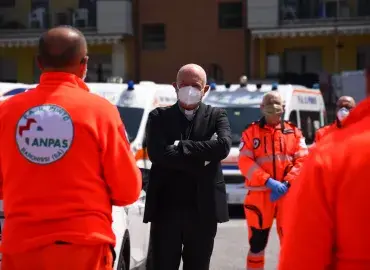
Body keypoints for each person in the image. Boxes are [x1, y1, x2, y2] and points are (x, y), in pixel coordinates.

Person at [0, 26, 142, 270]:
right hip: (84, 248)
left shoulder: (6, 112)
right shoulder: (101, 112)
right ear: (84, 64)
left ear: (39, 63)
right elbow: (127, 191)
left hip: (22, 248)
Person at [144, 63, 231, 270]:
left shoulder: (217, 116)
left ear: (205, 89)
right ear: (174, 86)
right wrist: (203, 159)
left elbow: (223, 147)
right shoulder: (158, 117)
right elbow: (158, 154)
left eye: (196, 85)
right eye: (184, 84)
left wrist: (181, 147)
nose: (189, 90)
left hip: (203, 211)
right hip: (166, 209)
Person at [278, 95, 370, 270]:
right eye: (341, 106)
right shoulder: (324, 134)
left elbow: (303, 255)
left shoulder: (329, 153)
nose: (344, 110)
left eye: (348, 107)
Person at [238, 91, 308, 270]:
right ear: (261, 108)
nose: (273, 110)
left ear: (283, 108)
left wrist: (287, 183)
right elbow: (245, 162)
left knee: (291, 245)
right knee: (257, 245)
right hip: (260, 196)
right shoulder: (250, 132)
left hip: (288, 195)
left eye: (276, 105)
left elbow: (303, 160)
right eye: (268, 105)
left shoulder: (294, 132)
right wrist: (269, 181)